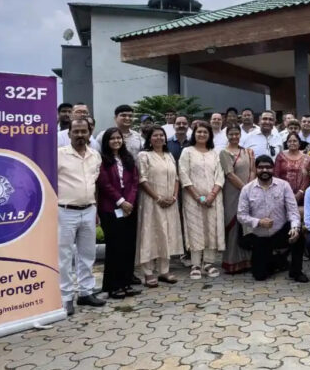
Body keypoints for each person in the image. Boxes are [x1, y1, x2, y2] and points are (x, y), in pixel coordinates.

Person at [56, 119, 105, 315]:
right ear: (69, 134)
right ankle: (66, 297)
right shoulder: (59, 155)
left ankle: (86, 292)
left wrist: (96, 209)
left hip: (89, 209)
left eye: (83, 131)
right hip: (65, 210)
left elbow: (95, 185)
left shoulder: (95, 155)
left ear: (89, 133)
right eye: (75, 131)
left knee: (87, 254)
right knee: (65, 255)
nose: (79, 135)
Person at [237, 155, 307, 282]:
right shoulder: (247, 189)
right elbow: (241, 215)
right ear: (256, 169)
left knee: (299, 235)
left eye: (268, 167)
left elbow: (293, 211)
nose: (265, 170)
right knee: (260, 276)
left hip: (279, 233)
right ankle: (278, 261)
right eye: (261, 167)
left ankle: (296, 272)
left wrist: (295, 228)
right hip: (259, 236)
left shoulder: (284, 186)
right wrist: (258, 222)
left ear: (273, 169)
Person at [136, 127, 184, 287]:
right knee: (150, 234)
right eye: (155, 135)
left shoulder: (169, 155)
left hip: (170, 202)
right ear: (149, 139)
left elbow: (176, 178)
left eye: (161, 135)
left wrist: (174, 196)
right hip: (152, 202)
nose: (159, 138)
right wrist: (158, 198)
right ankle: (148, 272)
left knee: (167, 234)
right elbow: (142, 180)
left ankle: (164, 271)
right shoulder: (144, 156)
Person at [96, 128, 141, 300]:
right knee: (115, 247)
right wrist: (121, 202)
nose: (116, 141)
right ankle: (113, 286)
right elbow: (104, 184)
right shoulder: (102, 160)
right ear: (106, 141)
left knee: (128, 247)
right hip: (111, 209)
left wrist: (129, 202)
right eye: (112, 138)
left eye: (119, 138)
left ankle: (126, 283)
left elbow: (135, 182)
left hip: (129, 209)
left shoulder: (128, 158)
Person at [179, 121, 225, 280]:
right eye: (199, 132)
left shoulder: (214, 153)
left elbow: (220, 175)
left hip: (214, 198)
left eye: (205, 132)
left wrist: (212, 194)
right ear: (194, 134)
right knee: (195, 229)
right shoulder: (187, 152)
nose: (202, 134)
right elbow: (183, 174)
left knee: (211, 229)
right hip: (193, 198)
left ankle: (209, 263)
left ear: (210, 135)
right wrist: (197, 196)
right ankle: (195, 264)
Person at [218, 125, 254, 274]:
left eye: (236, 134)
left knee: (247, 225)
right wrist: (245, 189)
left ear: (240, 135)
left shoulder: (247, 151)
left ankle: (248, 261)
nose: (234, 137)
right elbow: (230, 174)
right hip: (232, 193)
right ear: (227, 135)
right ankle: (232, 261)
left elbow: (252, 170)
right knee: (233, 226)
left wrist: (250, 188)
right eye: (231, 134)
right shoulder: (224, 153)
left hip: (249, 192)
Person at [274, 132, 310, 207]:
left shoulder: (307, 158)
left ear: (299, 143)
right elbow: (276, 175)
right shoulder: (280, 156)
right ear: (287, 143)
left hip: (302, 195)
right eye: (289, 141)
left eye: (295, 141)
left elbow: (307, 179)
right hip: (282, 194)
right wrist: (285, 193)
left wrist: (300, 193)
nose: (292, 143)